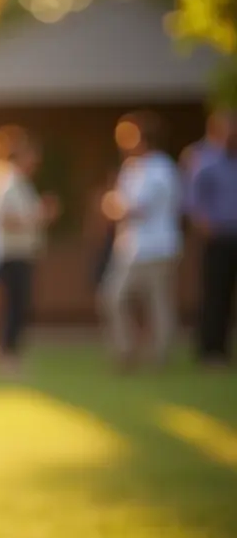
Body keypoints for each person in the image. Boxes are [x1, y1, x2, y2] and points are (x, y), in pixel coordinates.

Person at [99, 112, 182, 370]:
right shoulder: (131, 169)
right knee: (112, 297)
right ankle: (127, 351)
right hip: (130, 248)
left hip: (158, 248)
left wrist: (114, 206)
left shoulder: (161, 169)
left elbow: (134, 208)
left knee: (158, 304)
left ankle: (158, 357)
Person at [0, 125, 59, 374]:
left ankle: (10, 354)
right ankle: (7, 356)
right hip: (13, 253)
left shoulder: (15, 180)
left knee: (17, 305)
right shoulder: (8, 180)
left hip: (19, 253)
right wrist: (40, 215)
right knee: (13, 305)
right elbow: (5, 217)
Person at [189, 111, 237, 369]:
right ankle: (210, 351)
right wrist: (206, 227)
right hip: (217, 239)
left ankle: (226, 350)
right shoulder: (205, 162)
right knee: (214, 296)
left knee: (230, 298)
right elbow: (194, 201)